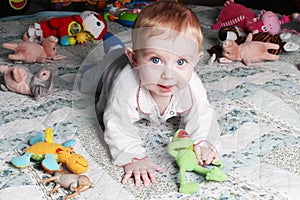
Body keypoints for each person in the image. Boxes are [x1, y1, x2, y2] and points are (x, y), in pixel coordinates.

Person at [90, 1, 222, 187]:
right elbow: (116, 124)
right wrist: (133, 158)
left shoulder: (191, 83)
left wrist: (202, 143)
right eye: (155, 59)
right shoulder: (126, 85)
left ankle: (117, 46)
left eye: (181, 62)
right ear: (135, 59)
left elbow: (202, 115)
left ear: (195, 60)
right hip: (111, 70)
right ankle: (111, 45)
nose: (168, 74)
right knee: (102, 67)